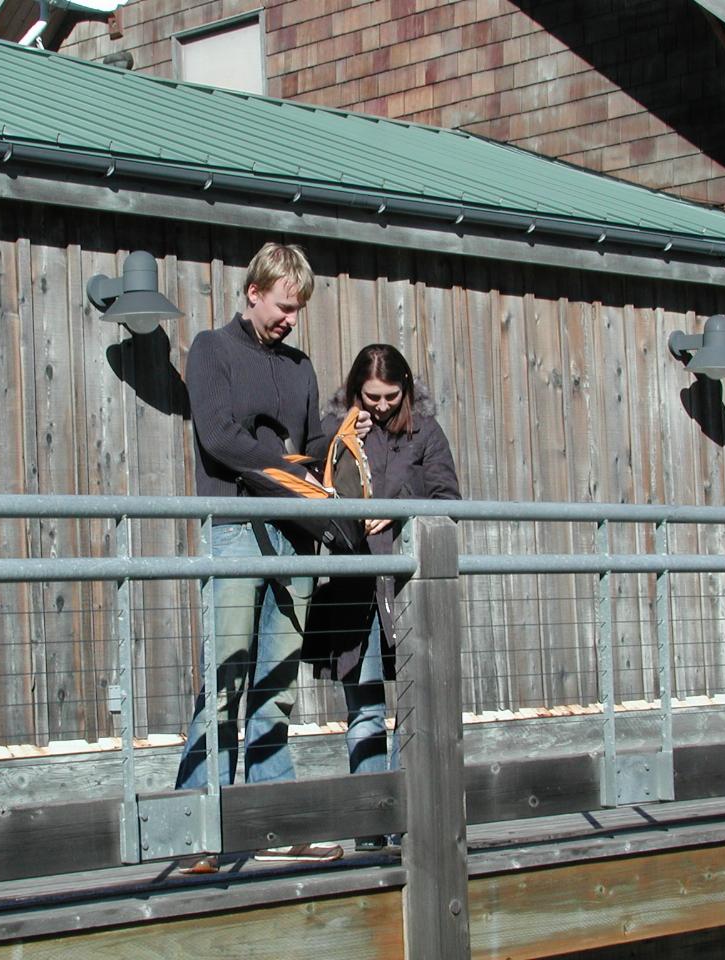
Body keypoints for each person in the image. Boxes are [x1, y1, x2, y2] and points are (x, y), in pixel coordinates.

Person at [174, 242, 343, 872]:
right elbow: (219, 440)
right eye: (283, 306)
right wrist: (288, 472)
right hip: (235, 526)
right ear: (254, 292)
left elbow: (317, 446)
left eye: (298, 310)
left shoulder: (301, 368)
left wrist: (337, 471)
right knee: (225, 681)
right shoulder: (210, 350)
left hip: (296, 536)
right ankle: (196, 828)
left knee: (275, 689)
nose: (290, 319)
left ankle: (279, 825)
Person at [316, 344, 460, 850]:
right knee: (365, 711)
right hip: (351, 586)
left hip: (405, 588)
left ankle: (407, 818)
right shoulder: (336, 428)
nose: (378, 405)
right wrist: (334, 444)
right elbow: (313, 491)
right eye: (369, 395)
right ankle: (369, 824)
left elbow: (448, 501)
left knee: (413, 709)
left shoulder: (425, 432)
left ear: (406, 389)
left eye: (389, 396)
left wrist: (396, 511)